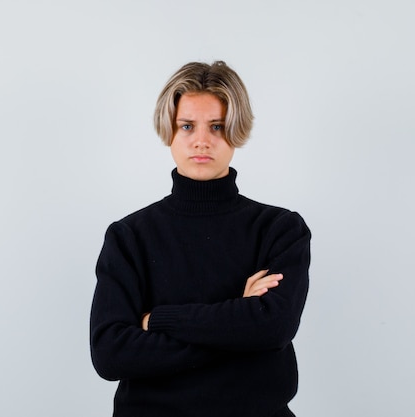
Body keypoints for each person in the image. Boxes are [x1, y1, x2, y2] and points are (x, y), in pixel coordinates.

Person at [90, 61, 311, 417]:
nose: (202, 141)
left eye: (217, 126)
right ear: (170, 131)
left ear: (236, 130)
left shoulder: (280, 229)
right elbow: (110, 354)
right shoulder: (129, 236)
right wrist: (239, 322)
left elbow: (274, 327)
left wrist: (158, 320)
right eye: (187, 126)